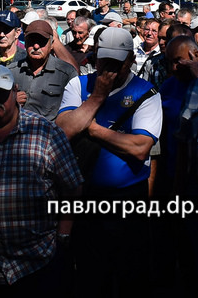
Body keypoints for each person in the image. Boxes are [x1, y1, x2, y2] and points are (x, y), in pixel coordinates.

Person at [56, 26, 161, 298]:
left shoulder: (146, 93)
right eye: (105, 61)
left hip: (127, 200)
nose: (110, 69)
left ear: (129, 60)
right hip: (85, 197)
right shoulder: (78, 85)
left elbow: (139, 147)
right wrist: (98, 97)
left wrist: (90, 128)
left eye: (117, 63)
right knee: (91, 276)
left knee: (130, 275)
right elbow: (64, 131)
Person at [0, 63, 82, 294]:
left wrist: (64, 233)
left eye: (2, 93)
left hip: (37, 264)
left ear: (15, 92)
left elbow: (73, 187)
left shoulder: (46, 133)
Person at [11, 20, 78, 121]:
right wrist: (11, 102)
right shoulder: (11, 72)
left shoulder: (66, 73)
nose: (36, 46)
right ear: (25, 43)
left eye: (41, 42)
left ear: (51, 45)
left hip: (51, 133)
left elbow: (73, 114)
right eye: (31, 41)